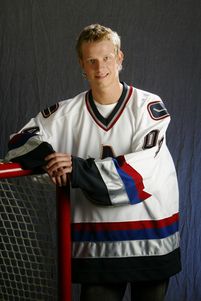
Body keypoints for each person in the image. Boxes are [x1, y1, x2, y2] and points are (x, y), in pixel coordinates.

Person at [5, 24, 181, 301]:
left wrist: (76, 168)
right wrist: (52, 161)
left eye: (107, 58)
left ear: (120, 58)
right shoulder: (66, 113)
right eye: (92, 60)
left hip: (150, 238)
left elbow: (141, 172)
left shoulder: (148, 106)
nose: (100, 67)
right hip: (98, 244)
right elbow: (18, 143)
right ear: (82, 65)